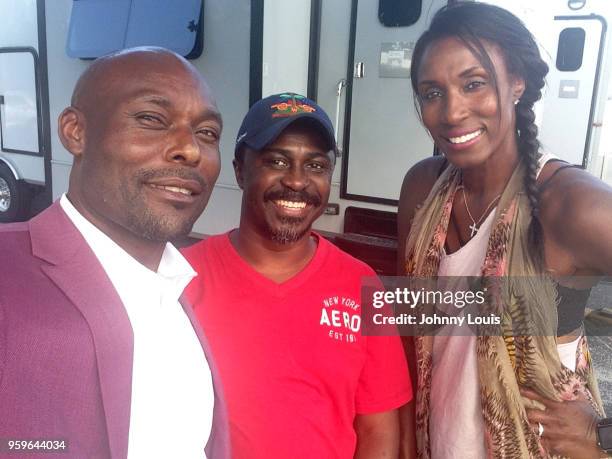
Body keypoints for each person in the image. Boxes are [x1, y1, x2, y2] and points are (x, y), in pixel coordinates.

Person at [396, 3, 612, 458]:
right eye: (432, 92)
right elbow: (407, 325)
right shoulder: (422, 187)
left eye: (473, 84)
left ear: (518, 82)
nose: (452, 111)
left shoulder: (570, 206)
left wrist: (603, 434)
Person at [0, 47, 229, 458]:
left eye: (207, 133)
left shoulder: (176, 288)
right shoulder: (7, 273)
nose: (190, 150)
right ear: (75, 132)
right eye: (152, 120)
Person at [184, 92, 413, 458]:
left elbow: (379, 431)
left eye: (316, 166)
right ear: (240, 170)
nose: (296, 181)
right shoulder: (182, 280)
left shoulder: (362, 286)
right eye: (277, 160)